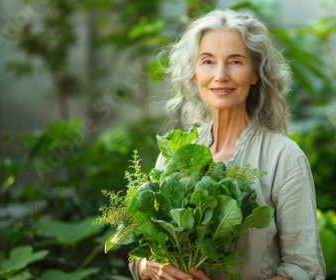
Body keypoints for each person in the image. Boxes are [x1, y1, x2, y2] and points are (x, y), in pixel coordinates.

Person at [129, 8, 326, 280]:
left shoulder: (284, 158)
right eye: (208, 61)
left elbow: (305, 269)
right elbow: (141, 250)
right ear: (194, 73)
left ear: (255, 73)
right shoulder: (176, 151)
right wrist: (149, 269)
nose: (220, 75)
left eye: (235, 61)